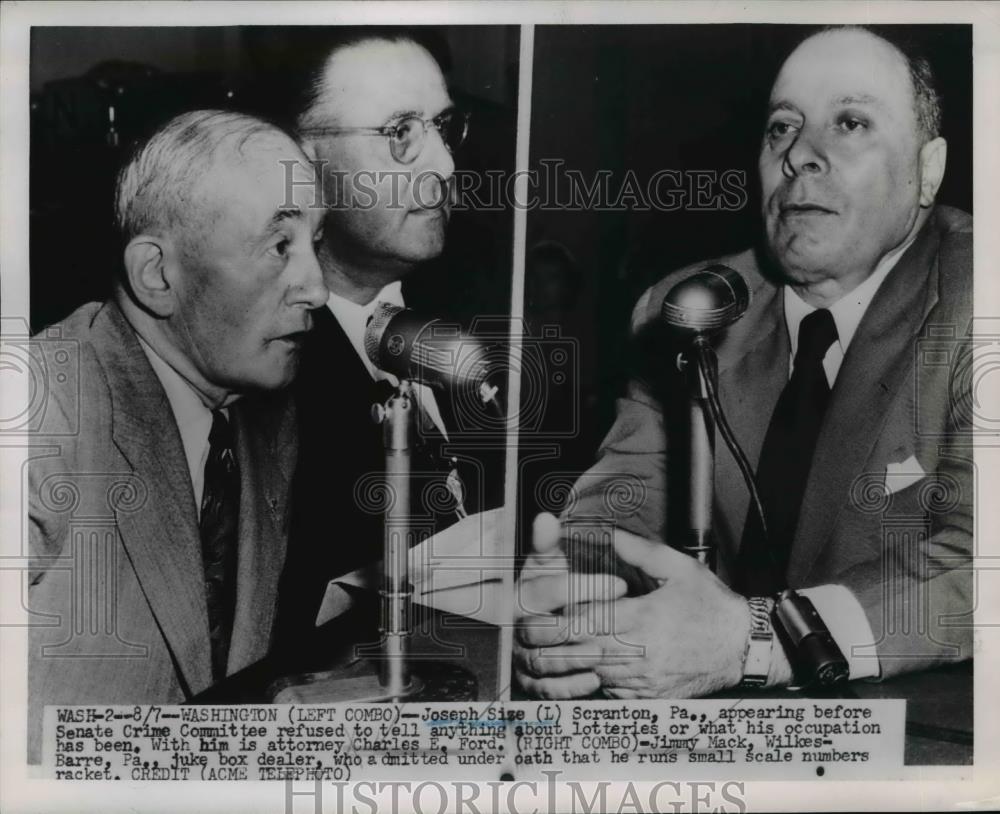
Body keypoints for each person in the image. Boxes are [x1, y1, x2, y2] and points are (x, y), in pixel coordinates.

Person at [515, 26, 972, 699]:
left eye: (850, 122)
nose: (800, 157)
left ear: (928, 169)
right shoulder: (685, 311)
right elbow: (621, 505)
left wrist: (756, 639)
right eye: (782, 128)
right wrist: (579, 606)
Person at [27, 110, 327, 760]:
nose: (317, 288)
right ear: (158, 275)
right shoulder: (39, 405)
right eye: (280, 246)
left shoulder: (266, 417)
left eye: (315, 244)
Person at [276, 31, 488, 644]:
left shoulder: (474, 326)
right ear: (300, 164)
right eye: (400, 133)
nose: (446, 167)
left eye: (444, 128)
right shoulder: (259, 375)